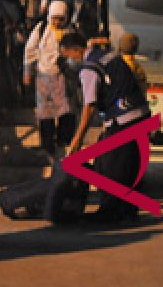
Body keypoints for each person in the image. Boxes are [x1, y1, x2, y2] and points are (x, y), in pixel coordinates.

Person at [60, 32, 151, 223]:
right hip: (140, 113)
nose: (69, 61)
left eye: (68, 56)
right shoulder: (105, 53)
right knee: (130, 165)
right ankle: (128, 211)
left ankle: (111, 212)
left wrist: (76, 142)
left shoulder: (88, 69)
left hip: (124, 118)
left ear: (76, 51)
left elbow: (89, 107)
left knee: (109, 166)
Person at [23, 0, 77, 159]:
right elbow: (30, 50)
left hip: (64, 77)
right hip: (44, 76)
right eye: (54, 18)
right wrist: (27, 72)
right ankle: (47, 146)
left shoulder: (70, 31)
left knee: (67, 111)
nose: (57, 22)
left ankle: (63, 142)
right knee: (46, 114)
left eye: (60, 18)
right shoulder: (41, 30)